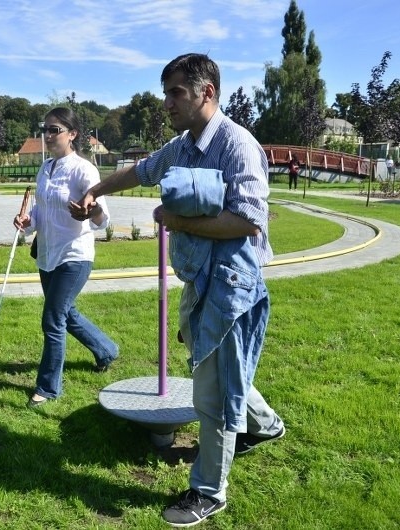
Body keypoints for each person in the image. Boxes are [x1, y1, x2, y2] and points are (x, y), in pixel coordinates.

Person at [71, 53, 285, 527]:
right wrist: (96, 192)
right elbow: (142, 170)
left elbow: (249, 221)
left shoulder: (237, 146)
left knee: (211, 391)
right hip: (200, 280)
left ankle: (209, 491)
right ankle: (266, 425)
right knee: (226, 373)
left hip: (232, 287)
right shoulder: (183, 146)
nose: (166, 102)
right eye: (166, 92)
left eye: (176, 93)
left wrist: (177, 220)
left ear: (206, 92)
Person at [13, 107, 119, 408]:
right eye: (44, 129)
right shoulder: (45, 168)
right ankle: (106, 350)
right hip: (47, 253)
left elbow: (102, 219)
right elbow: (39, 212)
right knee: (65, 313)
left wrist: (90, 210)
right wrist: (26, 222)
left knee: (52, 319)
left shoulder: (84, 170)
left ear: (72, 134)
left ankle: (47, 388)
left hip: (75, 255)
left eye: (54, 130)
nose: (47, 135)